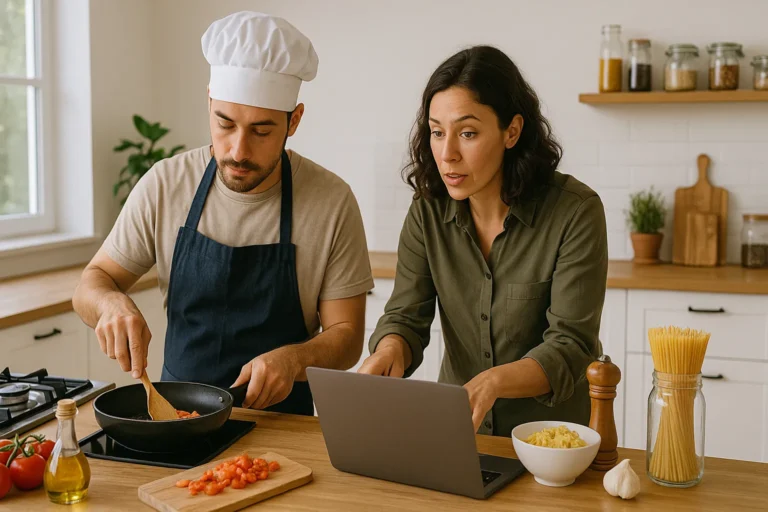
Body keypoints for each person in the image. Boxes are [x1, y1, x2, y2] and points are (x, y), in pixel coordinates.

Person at [73, 11, 374, 415]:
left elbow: (347, 336)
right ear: (209, 103)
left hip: (283, 426)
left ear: (294, 121)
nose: (238, 151)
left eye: (262, 131)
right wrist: (109, 303)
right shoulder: (166, 183)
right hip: (175, 417)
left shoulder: (332, 202)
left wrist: (295, 359)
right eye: (225, 124)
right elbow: (90, 285)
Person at [358, 45, 608, 437]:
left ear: (512, 131)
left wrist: (494, 382)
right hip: (459, 433)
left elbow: (570, 345)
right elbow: (406, 316)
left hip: (550, 444)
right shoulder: (427, 211)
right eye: (437, 132)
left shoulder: (575, 212)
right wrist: (389, 349)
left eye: (468, 133)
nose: (447, 154)